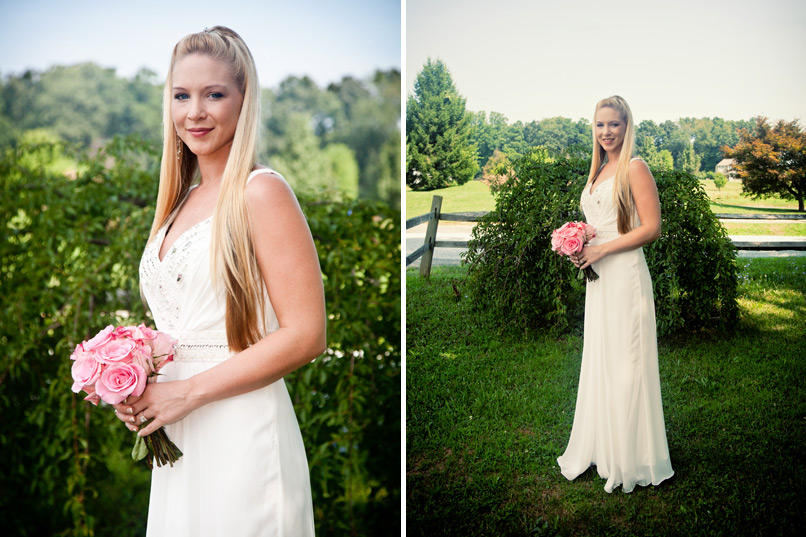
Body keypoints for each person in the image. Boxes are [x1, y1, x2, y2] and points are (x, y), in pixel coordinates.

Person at [112, 26, 325, 535]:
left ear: (243, 100)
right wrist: (137, 381)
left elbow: (307, 334)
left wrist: (188, 392)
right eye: (181, 95)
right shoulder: (178, 204)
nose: (195, 112)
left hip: (240, 425)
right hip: (180, 432)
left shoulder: (261, 192)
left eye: (214, 95)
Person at [556, 95, 674, 493]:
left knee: (628, 362)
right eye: (600, 125)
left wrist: (602, 248)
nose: (607, 132)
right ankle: (604, 449)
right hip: (599, 277)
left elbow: (651, 229)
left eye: (614, 125)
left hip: (624, 275)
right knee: (603, 358)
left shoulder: (635, 168)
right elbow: (602, 224)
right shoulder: (599, 170)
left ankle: (633, 458)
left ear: (627, 127)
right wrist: (580, 244)